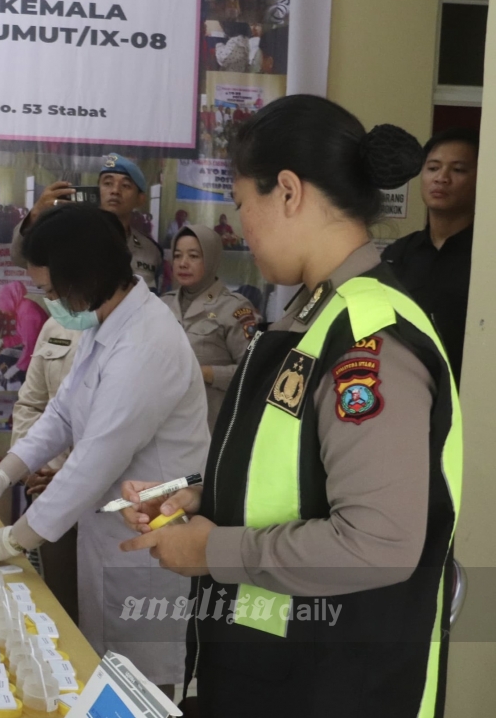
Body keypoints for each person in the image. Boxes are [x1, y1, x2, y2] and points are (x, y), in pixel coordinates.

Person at [120, 95, 459, 717]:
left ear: (287, 191)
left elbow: (378, 542)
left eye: (243, 204)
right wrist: (202, 495)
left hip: (336, 684)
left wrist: (209, 550)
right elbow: (297, 468)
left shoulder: (368, 337)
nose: (241, 224)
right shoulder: (310, 318)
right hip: (271, 669)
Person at [0, 204, 207, 693]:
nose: (48, 300)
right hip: (111, 528)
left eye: (52, 291)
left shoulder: (145, 345)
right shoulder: (106, 324)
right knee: (102, 673)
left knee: (143, 687)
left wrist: (15, 539)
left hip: (148, 544)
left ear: (85, 276)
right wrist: (3, 474)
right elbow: (62, 413)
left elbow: (95, 460)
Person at [383, 126, 477, 383]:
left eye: (458, 170)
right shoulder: (398, 254)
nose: (442, 178)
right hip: (404, 393)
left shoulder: (485, 258)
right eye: (433, 168)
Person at [10, 317, 84, 624]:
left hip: (110, 495)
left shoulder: (138, 329)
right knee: (57, 603)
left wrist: (72, 475)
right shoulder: (56, 326)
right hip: (49, 485)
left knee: (105, 612)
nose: (52, 296)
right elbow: (31, 403)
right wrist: (28, 463)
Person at [14, 154, 164, 292]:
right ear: (97, 190)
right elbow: (19, 257)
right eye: (108, 183)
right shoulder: (70, 237)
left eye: (125, 185)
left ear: (141, 199)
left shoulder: (151, 252)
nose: (115, 191)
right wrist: (34, 215)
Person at [161, 224, 260, 431]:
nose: (183, 263)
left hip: (210, 427)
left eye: (194, 256)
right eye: (178, 256)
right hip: (165, 426)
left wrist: (206, 373)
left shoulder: (235, 308)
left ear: (212, 258)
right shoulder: (163, 305)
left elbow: (254, 371)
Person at [0, 281, 49, 378]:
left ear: (10, 301)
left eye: (3, 306)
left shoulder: (27, 312)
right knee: (6, 353)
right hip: (37, 351)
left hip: (43, 354)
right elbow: (20, 337)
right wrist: (3, 341)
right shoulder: (21, 308)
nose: (2, 311)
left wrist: (17, 368)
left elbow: (30, 346)